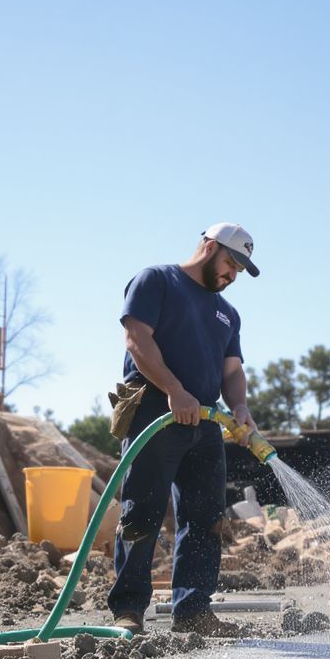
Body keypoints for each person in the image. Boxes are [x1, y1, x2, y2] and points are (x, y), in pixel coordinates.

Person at [107, 223, 260, 637]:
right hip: (155, 410)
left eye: (240, 271)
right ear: (210, 247)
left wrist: (240, 406)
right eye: (230, 262)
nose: (232, 275)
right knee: (142, 511)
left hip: (206, 421)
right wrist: (174, 390)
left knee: (205, 518)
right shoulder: (157, 280)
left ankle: (193, 610)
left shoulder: (228, 313)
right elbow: (136, 338)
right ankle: (129, 611)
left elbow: (232, 371)